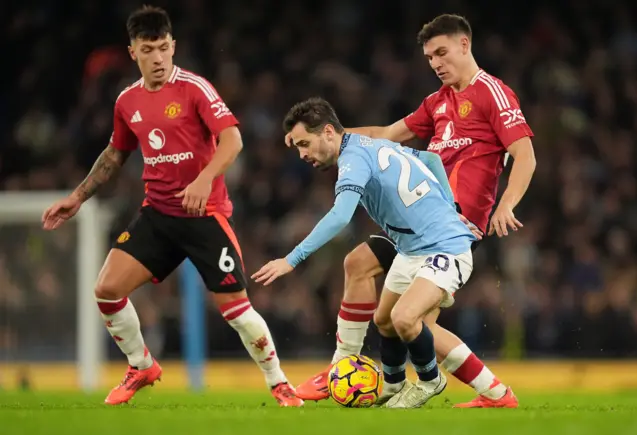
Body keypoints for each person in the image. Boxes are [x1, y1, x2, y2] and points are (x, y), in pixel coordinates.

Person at [41, 5, 302, 407]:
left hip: (205, 217)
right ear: (133, 53)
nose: (159, 57)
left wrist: (203, 179)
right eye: (149, 50)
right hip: (159, 215)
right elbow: (115, 154)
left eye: (164, 47)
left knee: (237, 312)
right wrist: (76, 197)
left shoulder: (195, 88)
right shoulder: (127, 101)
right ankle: (141, 364)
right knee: (106, 290)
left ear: (173, 46)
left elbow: (232, 139)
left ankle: (279, 383)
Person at [294, 14, 535, 408]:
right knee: (367, 278)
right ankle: (356, 370)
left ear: (464, 44)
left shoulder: (493, 93)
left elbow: (524, 155)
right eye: (428, 57)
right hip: (415, 224)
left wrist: (506, 204)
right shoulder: (438, 101)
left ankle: (491, 392)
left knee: (411, 322)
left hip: (451, 229)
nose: (436, 63)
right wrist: (330, 139)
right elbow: (388, 134)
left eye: (441, 52)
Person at [254, 97, 479, 408]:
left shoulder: (352, 160)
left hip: (434, 245)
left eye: (305, 143)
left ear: (329, 132)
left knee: (405, 317)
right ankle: (387, 380)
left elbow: (340, 217)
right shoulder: (369, 143)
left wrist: (291, 260)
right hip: (413, 242)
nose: (302, 154)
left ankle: (430, 380)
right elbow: (430, 161)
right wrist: (453, 208)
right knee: (379, 307)